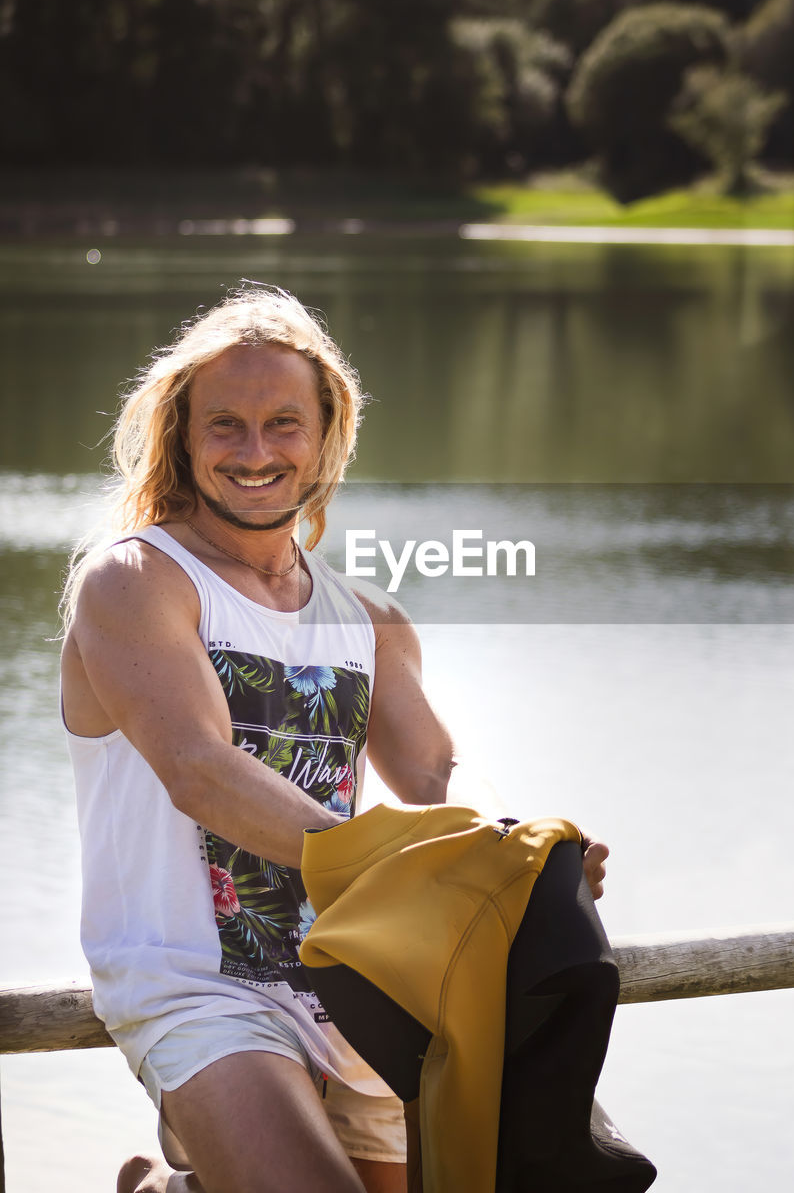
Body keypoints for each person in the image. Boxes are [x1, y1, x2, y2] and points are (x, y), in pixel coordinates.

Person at [60, 284, 609, 1193]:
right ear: (182, 437)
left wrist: (519, 855)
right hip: (197, 982)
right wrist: (406, 864)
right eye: (224, 425)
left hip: (361, 975)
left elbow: (436, 774)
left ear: (326, 436)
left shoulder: (369, 619)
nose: (254, 452)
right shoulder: (136, 583)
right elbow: (199, 770)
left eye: (284, 423)